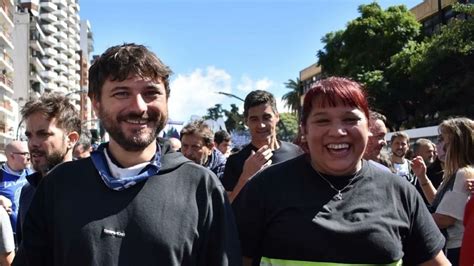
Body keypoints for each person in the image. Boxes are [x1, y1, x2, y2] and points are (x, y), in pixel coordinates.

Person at [15, 43, 240, 265]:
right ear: (97, 104)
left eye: (151, 93)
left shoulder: (201, 187)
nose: (139, 106)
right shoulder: (58, 185)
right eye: (122, 93)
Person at [233, 77, 449, 265]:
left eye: (350, 119)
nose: (337, 131)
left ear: (368, 127)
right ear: (305, 130)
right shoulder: (264, 188)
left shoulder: (400, 193)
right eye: (322, 120)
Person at [15, 93, 81, 246]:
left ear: (71, 140)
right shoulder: (28, 191)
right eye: (29, 136)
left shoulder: (93, 190)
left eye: (43, 134)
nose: (33, 143)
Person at [413, 117, 474, 265]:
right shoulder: (453, 173)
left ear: (456, 144)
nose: (436, 145)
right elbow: (438, 203)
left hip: (456, 249)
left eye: (441, 140)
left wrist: (409, 219)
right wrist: (422, 177)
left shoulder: (463, 174)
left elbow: (445, 219)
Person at [222, 90, 302, 202]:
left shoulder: (296, 153)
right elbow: (227, 207)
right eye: (254, 119)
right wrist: (246, 177)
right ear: (246, 122)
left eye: (266, 117)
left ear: (277, 117)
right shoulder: (235, 161)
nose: (261, 125)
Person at [0, 141, 31, 233]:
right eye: (25, 154)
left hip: (33, 232)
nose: (29, 157)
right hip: (11, 236)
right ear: (12, 156)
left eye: (29, 153)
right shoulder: (1, 175)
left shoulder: (31, 172)